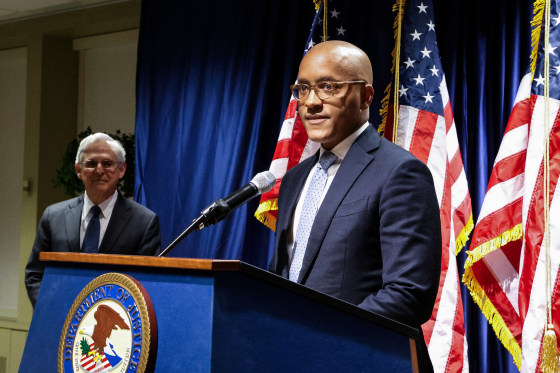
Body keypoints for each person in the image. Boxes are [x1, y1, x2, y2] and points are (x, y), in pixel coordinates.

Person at [268, 41, 441, 371]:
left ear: (366, 96)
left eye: (327, 87)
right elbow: (287, 277)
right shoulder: (293, 180)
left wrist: (319, 334)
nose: (311, 103)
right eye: (302, 89)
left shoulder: (400, 172)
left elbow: (409, 294)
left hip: (367, 360)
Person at [25, 133, 161, 307]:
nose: (99, 170)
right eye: (90, 164)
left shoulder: (144, 222)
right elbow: (35, 274)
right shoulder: (54, 216)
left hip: (113, 326)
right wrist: (51, 310)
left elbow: (146, 284)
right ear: (78, 170)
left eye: (107, 164)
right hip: (58, 323)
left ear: (121, 170)